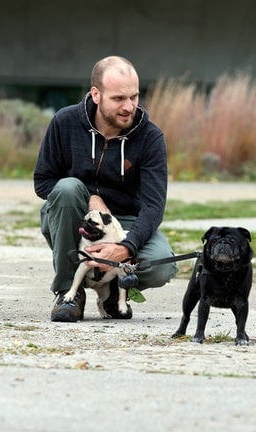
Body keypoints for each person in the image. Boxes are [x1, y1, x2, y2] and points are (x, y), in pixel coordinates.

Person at [33, 55, 178, 322]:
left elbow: (154, 206)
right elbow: (43, 182)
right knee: (66, 189)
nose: (129, 106)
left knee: (162, 267)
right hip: (74, 217)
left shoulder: (150, 137)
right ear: (96, 94)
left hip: (125, 221)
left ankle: (112, 287)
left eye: (134, 97)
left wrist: (126, 246)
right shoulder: (64, 123)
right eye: (119, 98)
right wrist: (92, 199)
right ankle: (68, 291)